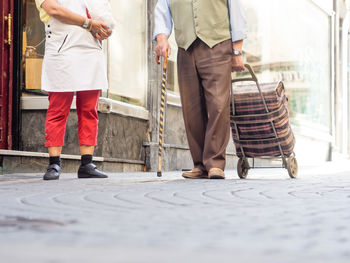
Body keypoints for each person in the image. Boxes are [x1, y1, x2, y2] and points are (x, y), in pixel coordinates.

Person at [154, 0, 248, 179]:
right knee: (191, 109)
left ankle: (214, 163)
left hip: (218, 45)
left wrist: (237, 50)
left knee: (218, 105)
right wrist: (162, 38)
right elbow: (162, 10)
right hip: (186, 49)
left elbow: (236, 11)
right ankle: (199, 165)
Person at [35, 0, 112, 180]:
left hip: (90, 50)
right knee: (58, 109)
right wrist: (88, 23)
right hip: (62, 51)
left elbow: (102, 12)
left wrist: (106, 28)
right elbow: (53, 9)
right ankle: (54, 162)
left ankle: (87, 163)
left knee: (89, 110)